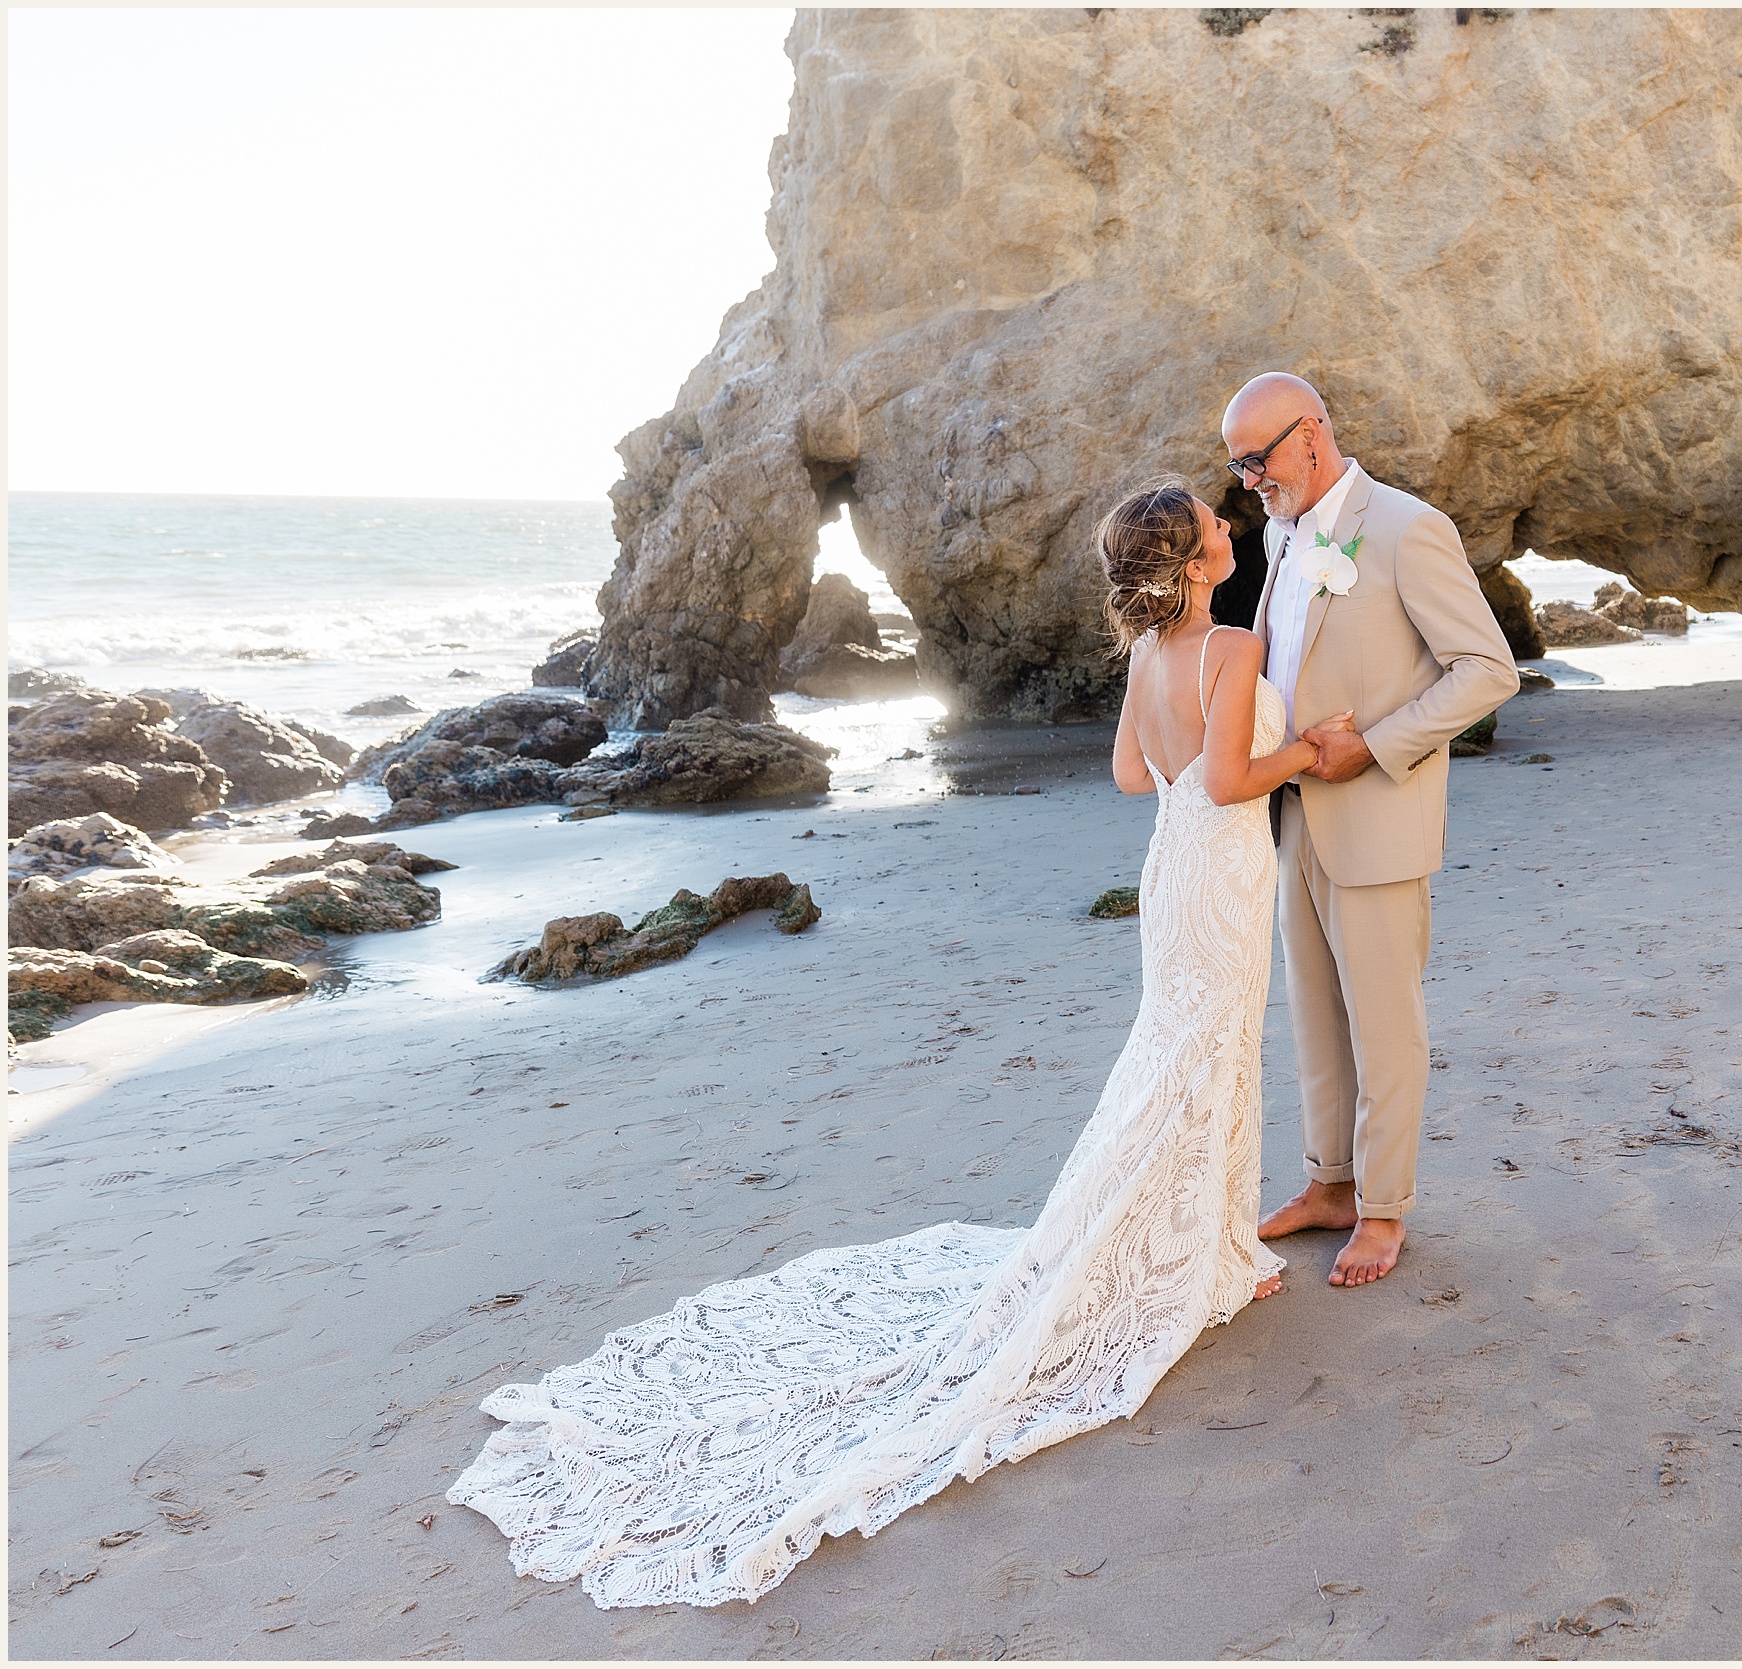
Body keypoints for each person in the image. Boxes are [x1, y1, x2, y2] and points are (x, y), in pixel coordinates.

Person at [448, 480, 1341, 1610]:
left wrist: (1235, 742)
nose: (1231, 532)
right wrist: (1305, 745)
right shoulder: (1221, 657)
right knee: (1205, 1056)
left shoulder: (1152, 660)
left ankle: (1211, 1243)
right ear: (1198, 562)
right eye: (1219, 530)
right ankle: (1206, 1253)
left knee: (1177, 1054)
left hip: (1174, 871)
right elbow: (1228, 778)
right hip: (1217, 870)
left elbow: (1134, 775)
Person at [1225, 373, 1520, 1287]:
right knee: (1314, 1013)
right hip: (1292, 814)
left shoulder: (1405, 528)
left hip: (1379, 812)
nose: (1247, 482)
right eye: (1235, 465)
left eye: (1257, 458)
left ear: (1311, 434)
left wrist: (1379, 745)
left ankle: (1384, 1208)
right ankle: (1330, 1183)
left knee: (1384, 1023)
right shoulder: (1279, 534)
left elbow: (1486, 669)